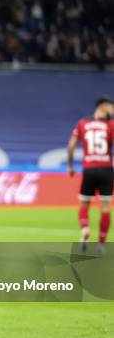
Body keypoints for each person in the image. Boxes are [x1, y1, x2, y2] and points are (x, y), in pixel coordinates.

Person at [67, 97, 114, 252]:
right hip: (107, 169)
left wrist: (70, 166)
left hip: (89, 169)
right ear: (104, 107)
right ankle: (101, 243)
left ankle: (85, 229)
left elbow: (71, 146)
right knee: (106, 207)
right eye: (111, 107)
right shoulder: (110, 125)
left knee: (84, 203)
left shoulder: (83, 123)